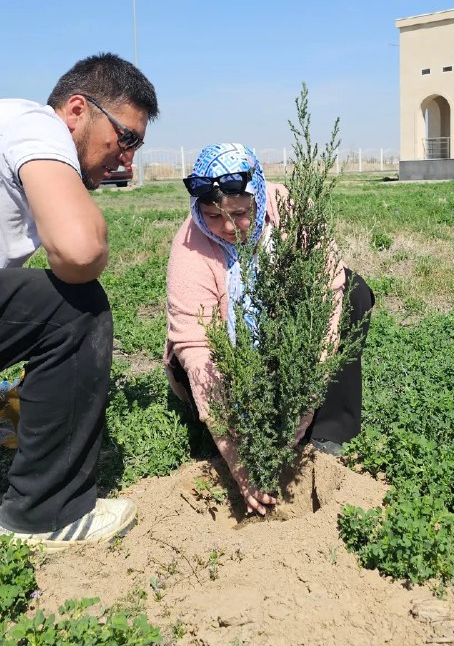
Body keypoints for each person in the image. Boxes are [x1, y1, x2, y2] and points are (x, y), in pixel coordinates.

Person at [0, 53, 159, 549]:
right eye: (125, 137)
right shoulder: (37, 125)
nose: (127, 158)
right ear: (76, 110)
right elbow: (79, 250)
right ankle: (45, 514)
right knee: (74, 308)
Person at [164, 143, 374, 515]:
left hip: (285, 342)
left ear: (258, 197)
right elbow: (197, 349)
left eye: (239, 213)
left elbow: (327, 292)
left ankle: (329, 429)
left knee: (354, 292)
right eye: (212, 216)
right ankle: (232, 429)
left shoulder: (290, 211)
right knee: (192, 359)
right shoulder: (190, 246)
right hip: (227, 365)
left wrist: (304, 405)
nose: (228, 227)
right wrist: (236, 460)